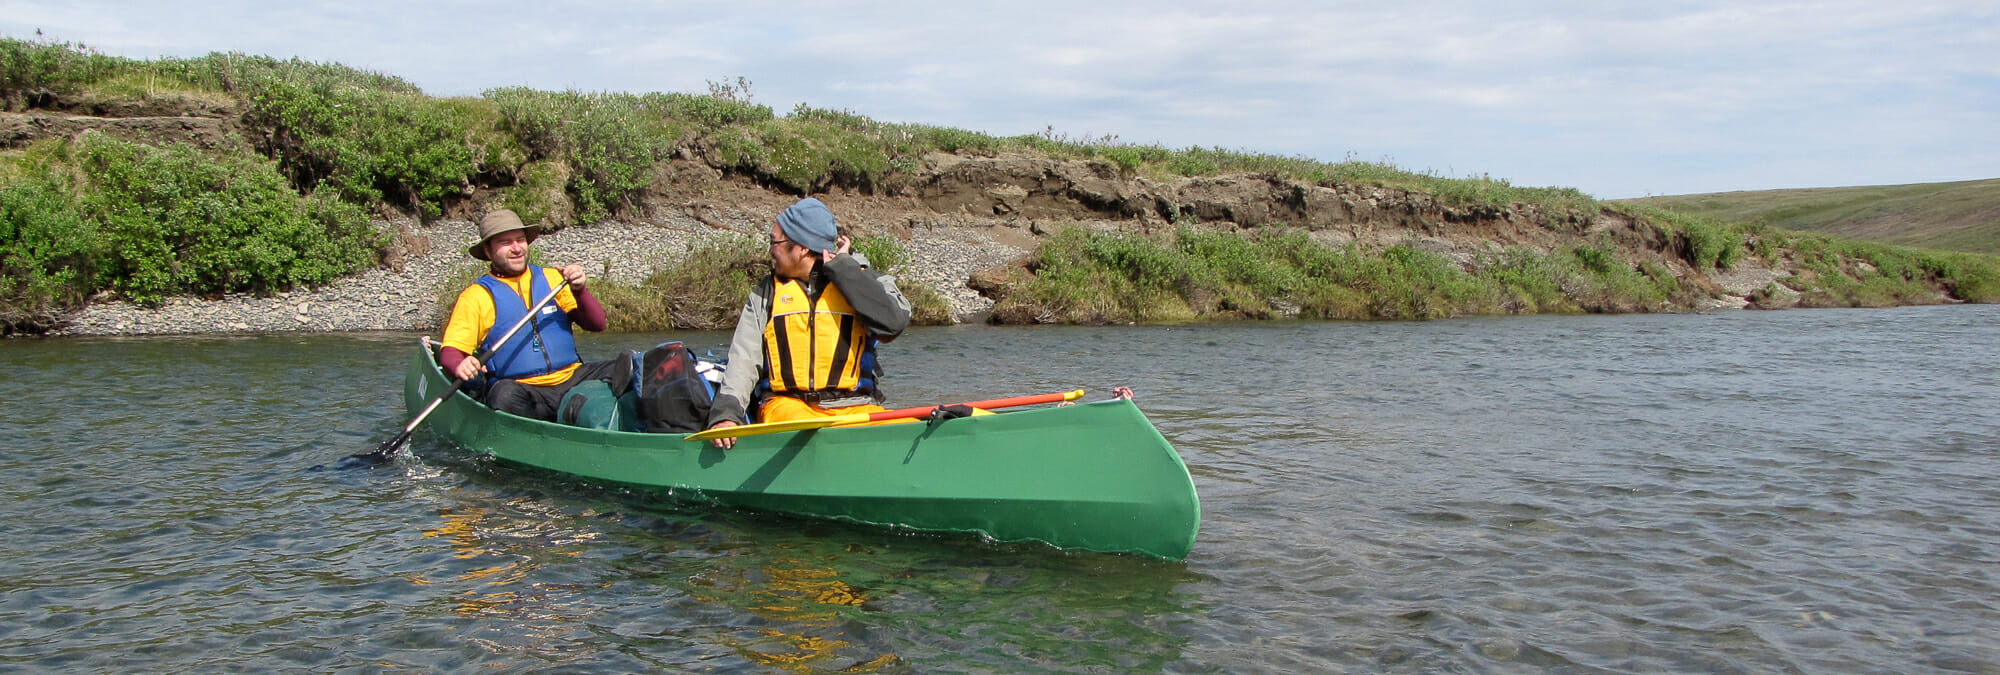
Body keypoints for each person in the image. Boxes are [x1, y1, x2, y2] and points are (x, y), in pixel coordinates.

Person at [703, 198, 912, 448]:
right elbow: (744, 359)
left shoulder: (862, 280)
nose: (770, 251)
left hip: (855, 409)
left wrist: (846, 270)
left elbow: (893, 324)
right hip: (788, 408)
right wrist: (726, 415)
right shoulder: (766, 293)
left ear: (801, 247)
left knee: (909, 430)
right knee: (806, 434)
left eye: (775, 242)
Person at [439, 209, 629, 420]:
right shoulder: (476, 296)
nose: (516, 248)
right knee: (504, 395)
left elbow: (597, 324)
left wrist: (579, 290)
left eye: (520, 240)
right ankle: (541, 437)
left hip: (573, 378)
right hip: (526, 391)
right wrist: (460, 364)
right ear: (488, 251)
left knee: (633, 366)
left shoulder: (553, 279)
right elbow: (450, 352)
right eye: (506, 243)